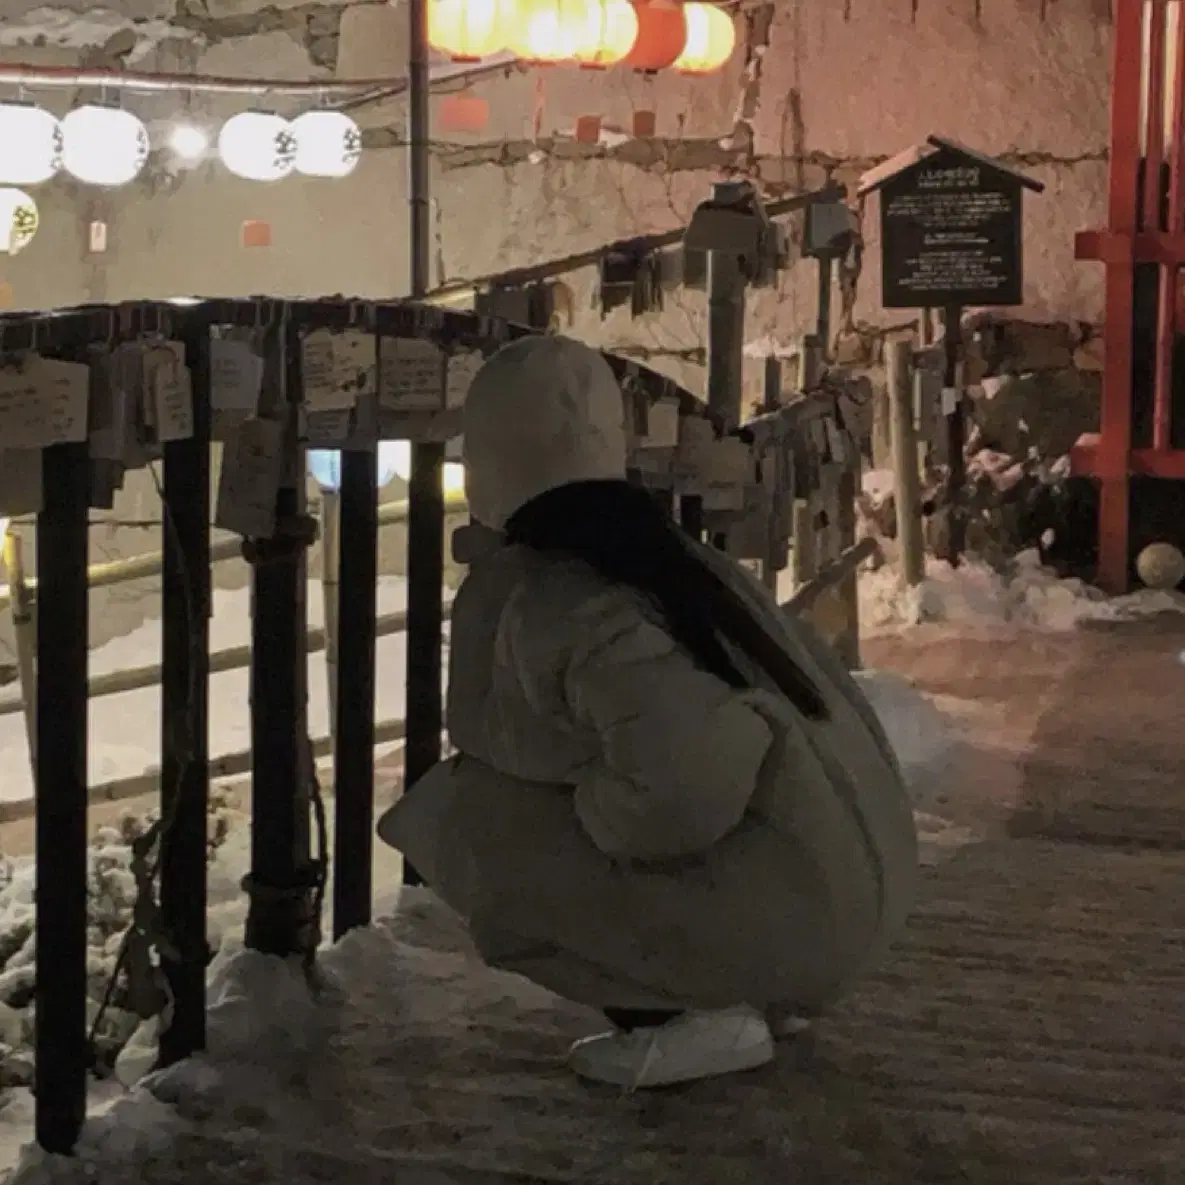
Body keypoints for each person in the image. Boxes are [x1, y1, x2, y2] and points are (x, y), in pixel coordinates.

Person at [379, 334, 918, 1090]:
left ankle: (688, 1012)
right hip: (845, 890)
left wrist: (595, 809)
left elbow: (691, 772)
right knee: (540, 796)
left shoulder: (563, 592)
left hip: (805, 918)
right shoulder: (672, 557)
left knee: (470, 817)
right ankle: (748, 980)